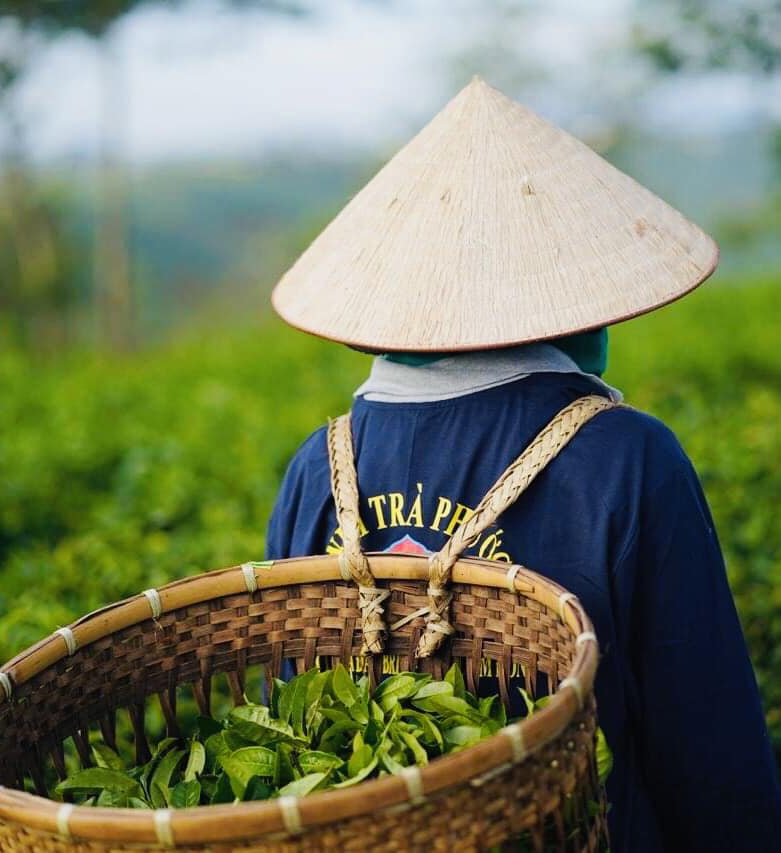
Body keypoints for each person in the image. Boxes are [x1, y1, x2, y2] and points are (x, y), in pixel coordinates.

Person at [264, 78, 781, 851]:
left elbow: (291, 719)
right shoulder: (627, 458)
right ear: (570, 294)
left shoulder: (318, 464)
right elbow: (707, 746)